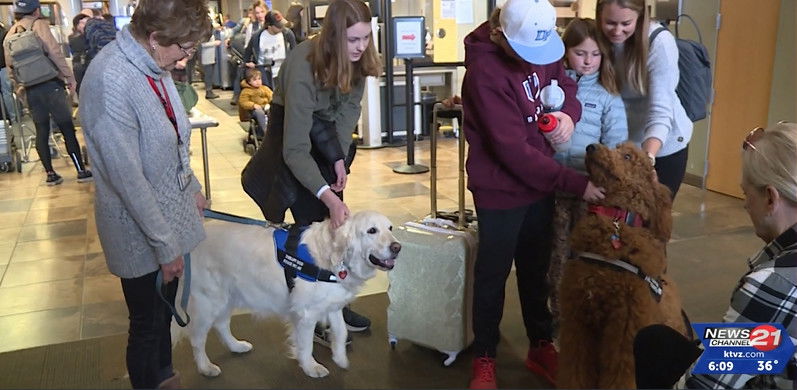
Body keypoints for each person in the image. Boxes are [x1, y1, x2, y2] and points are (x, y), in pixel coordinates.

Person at [461, 0, 606, 388]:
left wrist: (567, 116)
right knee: (491, 276)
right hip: (499, 190)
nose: (534, 61)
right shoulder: (484, 72)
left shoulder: (544, 46)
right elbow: (512, 152)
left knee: (536, 269)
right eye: (526, 53)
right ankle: (485, 359)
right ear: (502, 36)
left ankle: (540, 344)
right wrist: (576, 184)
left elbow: (567, 83)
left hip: (539, 186)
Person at [77, 0, 211, 387]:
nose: (185, 59)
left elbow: (174, 135)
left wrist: (194, 188)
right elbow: (126, 179)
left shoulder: (154, 64)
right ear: (154, 38)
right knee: (147, 324)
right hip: (138, 230)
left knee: (163, 313)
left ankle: (164, 377)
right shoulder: (110, 79)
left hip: (167, 215)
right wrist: (165, 245)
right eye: (183, 49)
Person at [240, 0, 380, 342]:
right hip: (291, 144)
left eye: (365, 38)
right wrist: (325, 194)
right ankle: (313, 314)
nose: (361, 47)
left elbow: (345, 120)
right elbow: (295, 149)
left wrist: (339, 160)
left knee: (336, 228)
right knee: (308, 234)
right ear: (333, 36)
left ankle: (335, 303)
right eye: (352, 40)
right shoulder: (303, 62)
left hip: (325, 141)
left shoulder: (360, 63)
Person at [683, 122, 797, 389]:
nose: (745, 204)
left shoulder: (775, 283)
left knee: (656, 343)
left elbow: (703, 386)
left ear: (771, 198)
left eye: (747, 194)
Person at [547, 17, 628, 323]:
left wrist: (606, 187)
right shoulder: (551, 88)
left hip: (588, 191)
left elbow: (615, 145)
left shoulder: (608, 93)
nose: (588, 61)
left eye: (596, 54)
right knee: (555, 255)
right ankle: (557, 314)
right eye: (581, 53)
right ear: (566, 51)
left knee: (585, 254)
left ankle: (583, 314)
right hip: (552, 186)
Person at [596, 0, 692, 198]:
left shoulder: (659, 42)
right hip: (620, 146)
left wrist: (646, 161)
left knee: (650, 223)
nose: (617, 31)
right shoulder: (598, 39)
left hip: (660, 148)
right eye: (610, 23)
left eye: (625, 24)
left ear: (640, 17)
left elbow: (660, 111)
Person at [3, 0, 92, 185]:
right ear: (36, 10)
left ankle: (50, 174)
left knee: (41, 130)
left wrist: (20, 89)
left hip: (30, 89)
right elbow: (54, 52)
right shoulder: (39, 25)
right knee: (67, 127)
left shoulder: (9, 34)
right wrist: (70, 78)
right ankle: (81, 171)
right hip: (51, 85)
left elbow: (11, 68)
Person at [243, 10, 296, 90]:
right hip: (264, 74)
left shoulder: (287, 34)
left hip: (283, 72)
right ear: (269, 26)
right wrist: (250, 64)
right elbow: (247, 56)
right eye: (278, 26)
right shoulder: (257, 37)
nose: (281, 28)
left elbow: (295, 52)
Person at [230, 1, 268, 103]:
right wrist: (248, 61)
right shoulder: (252, 27)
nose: (260, 15)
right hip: (257, 60)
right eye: (257, 13)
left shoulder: (272, 26)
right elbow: (248, 46)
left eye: (262, 12)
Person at [238, 67, 272, 137]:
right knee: (259, 112)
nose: (258, 82)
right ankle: (266, 132)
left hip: (266, 108)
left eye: (259, 79)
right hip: (252, 111)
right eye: (254, 80)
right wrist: (253, 105)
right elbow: (243, 102)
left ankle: (273, 129)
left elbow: (272, 96)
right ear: (249, 82)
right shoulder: (246, 91)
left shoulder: (265, 88)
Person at [69, 13, 90, 95]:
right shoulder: (74, 39)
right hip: (81, 71)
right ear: (77, 25)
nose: (87, 25)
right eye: (83, 23)